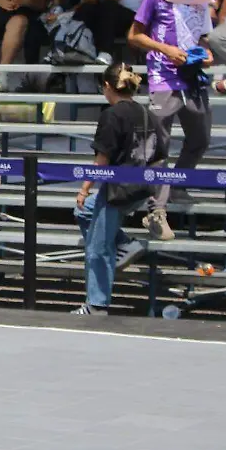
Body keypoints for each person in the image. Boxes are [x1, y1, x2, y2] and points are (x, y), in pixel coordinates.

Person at [128, 0, 215, 241]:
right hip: (163, 77)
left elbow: (203, 38)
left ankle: (177, 185)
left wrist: (206, 54)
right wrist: (165, 49)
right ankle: (156, 212)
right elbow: (134, 35)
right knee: (158, 147)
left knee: (201, 138)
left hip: (193, 79)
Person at [73, 64, 167, 315]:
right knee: (83, 211)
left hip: (117, 189)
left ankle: (96, 304)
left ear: (107, 86)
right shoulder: (147, 113)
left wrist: (84, 189)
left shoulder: (111, 115)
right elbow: (160, 155)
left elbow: (102, 159)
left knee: (98, 248)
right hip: (142, 186)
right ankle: (126, 244)